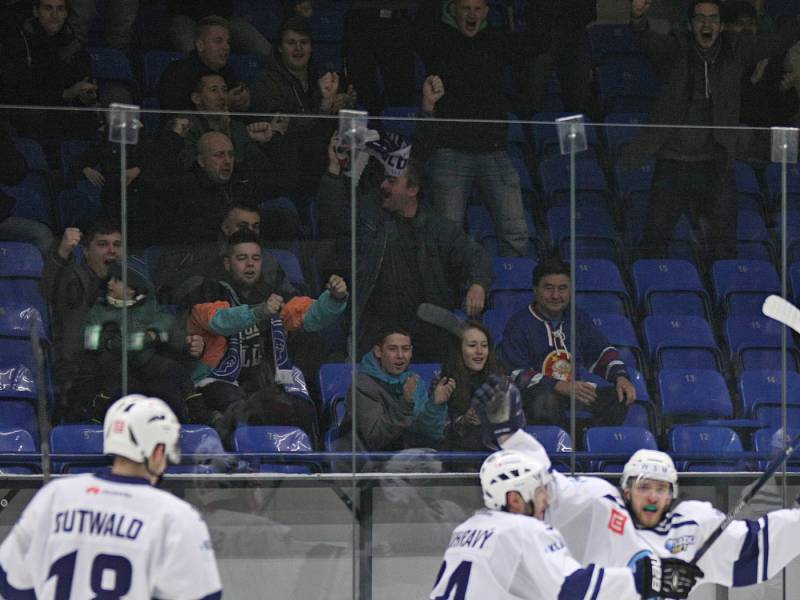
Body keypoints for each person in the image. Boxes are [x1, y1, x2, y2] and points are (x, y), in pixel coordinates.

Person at [430, 428, 702, 598]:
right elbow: (572, 588)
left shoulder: (466, 529)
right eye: (538, 492)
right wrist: (644, 580)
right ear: (514, 499)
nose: (547, 498)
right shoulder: (526, 531)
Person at [622, 0, 800, 260]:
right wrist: (638, 17)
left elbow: (776, 41)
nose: (707, 24)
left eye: (713, 18)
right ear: (691, 24)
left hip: (716, 161)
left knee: (724, 244)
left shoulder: (736, 48)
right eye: (701, 18)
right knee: (655, 239)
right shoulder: (676, 48)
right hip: (674, 160)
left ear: (721, 25)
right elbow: (648, 41)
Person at [0, 394, 223, 599]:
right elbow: (203, 595)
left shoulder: (56, 496)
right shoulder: (175, 517)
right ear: (158, 451)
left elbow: (11, 581)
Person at [317, 131, 493, 363]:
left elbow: (475, 255)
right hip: (377, 330)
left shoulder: (438, 227)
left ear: (412, 190)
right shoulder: (370, 216)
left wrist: (478, 284)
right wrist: (334, 168)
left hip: (427, 332)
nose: (383, 185)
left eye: (392, 181)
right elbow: (332, 217)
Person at [180, 228, 348, 440]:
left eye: (255, 258)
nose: (250, 264)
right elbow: (219, 321)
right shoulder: (208, 291)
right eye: (242, 258)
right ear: (227, 263)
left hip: (262, 384)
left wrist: (334, 299)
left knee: (301, 409)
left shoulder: (273, 294)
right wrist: (258, 312)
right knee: (240, 407)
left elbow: (307, 315)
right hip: (216, 382)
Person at [416, 0, 529, 258]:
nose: (471, 14)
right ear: (453, 9)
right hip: (450, 152)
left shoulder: (498, 39)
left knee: (516, 231)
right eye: (466, 8)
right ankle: (447, 295)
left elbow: (538, 42)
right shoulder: (437, 39)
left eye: (477, 9)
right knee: (447, 233)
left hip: (494, 150)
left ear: (486, 12)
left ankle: (514, 291)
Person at [499, 257, 636, 431]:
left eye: (562, 288)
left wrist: (620, 376)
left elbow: (601, 351)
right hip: (534, 399)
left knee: (618, 396)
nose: (556, 295)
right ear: (535, 290)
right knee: (545, 399)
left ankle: (586, 447)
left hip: (572, 394)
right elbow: (516, 372)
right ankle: (561, 449)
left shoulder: (577, 318)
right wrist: (557, 385)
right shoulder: (518, 324)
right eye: (548, 288)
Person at [76, 257, 202, 422]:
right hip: (115, 366)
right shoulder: (99, 311)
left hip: (146, 364)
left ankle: (197, 417)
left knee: (176, 374)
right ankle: (97, 418)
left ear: (132, 289)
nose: (109, 284)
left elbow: (172, 332)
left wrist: (183, 342)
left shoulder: (152, 310)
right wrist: (109, 343)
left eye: (117, 280)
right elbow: (90, 341)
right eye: (111, 278)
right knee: (112, 382)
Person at [248, 15, 354, 201]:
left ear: (311, 47)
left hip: (318, 158)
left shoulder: (320, 77)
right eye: (291, 42)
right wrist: (323, 109)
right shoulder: (266, 82)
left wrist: (342, 103)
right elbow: (283, 126)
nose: (298, 48)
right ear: (280, 47)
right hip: (288, 164)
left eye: (304, 42)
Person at [39, 219, 121, 419]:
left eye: (116, 245)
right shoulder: (74, 276)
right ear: (85, 251)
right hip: (78, 371)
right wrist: (63, 252)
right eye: (102, 244)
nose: (111, 250)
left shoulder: (128, 282)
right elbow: (46, 291)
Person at [335, 326, 455, 455]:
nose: (400, 356)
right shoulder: (361, 386)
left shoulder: (414, 382)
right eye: (392, 349)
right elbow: (376, 438)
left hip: (410, 456)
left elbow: (426, 434)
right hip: (369, 464)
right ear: (378, 351)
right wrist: (405, 403)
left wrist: (435, 405)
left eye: (406, 349)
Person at [0, 0, 97, 138]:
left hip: (65, 117)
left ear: (66, 13)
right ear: (35, 11)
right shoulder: (18, 42)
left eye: (60, 9)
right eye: (48, 8)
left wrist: (86, 96)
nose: (55, 15)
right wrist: (65, 94)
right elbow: (18, 94)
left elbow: (84, 79)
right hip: (25, 119)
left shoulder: (73, 43)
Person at [157, 15, 251, 112]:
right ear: (200, 45)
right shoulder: (177, 73)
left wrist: (243, 101)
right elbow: (176, 115)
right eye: (218, 41)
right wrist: (225, 102)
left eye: (228, 42)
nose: (226, 47)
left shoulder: (227, 72)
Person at [441, 319, 505, 450]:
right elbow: (439, 429)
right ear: (459, 349)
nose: (480, 351)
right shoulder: (444, 382)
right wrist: (464, 421)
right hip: (458, 452)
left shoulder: (500, 379)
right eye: (472, 345)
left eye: (484, 345)